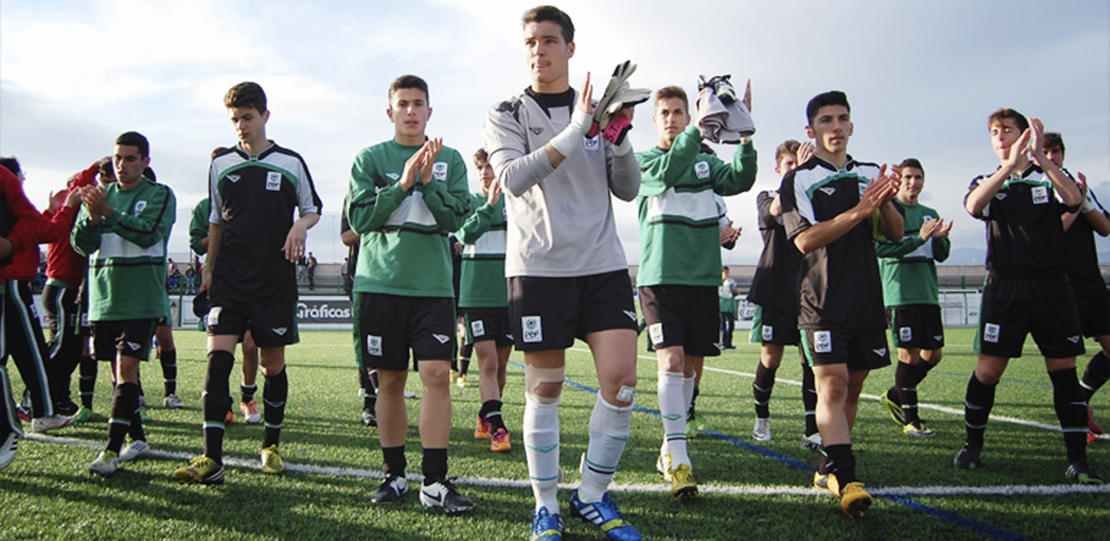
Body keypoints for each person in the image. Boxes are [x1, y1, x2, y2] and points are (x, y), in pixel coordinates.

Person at [484, 6, 644, 540]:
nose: (539, 50)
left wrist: (616, 136)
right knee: (545, 389)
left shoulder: (599, 112)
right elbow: (511, 177)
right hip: (540, 268)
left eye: (549, 41)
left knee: (622, 384)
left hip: (601, 263)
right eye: (531, 41)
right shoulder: (507, 110)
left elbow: (627, 188)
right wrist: (579, 127)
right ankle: (546, 505)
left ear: (569, 49)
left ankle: (592, 495)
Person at [173, 81, 321, 484]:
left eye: (247, 117)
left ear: (265, 116)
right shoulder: (220, 165)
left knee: (273, 366)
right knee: (217, 359)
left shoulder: (291, 162)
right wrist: (209, 269)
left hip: (274, 280)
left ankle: (270, 444)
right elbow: (216, 221)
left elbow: (313, 209)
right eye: (235, 119)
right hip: (230, 280)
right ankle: (211, 458)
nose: (241, 125)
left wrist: (299, 226)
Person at [347, 74, 473, 513]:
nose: (411, 111)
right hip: (380, 285)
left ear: (429, 111)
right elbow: (360, 221)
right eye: (403, 104)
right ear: (390, 112)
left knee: (437, 375)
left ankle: (434, 482)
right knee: (391, 381)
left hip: (432, 287)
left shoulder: (451, 160)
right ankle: (394, 475)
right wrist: (402, 183)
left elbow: (455, 218)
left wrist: (426, 182)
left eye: (419, 103)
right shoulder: (369, 158)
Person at [957, 109, 1104, 484]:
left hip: (1052, 287)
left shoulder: (1050, 175)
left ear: (1024, 135)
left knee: (1062, 370)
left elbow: (1073, 200)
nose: (1000, 136)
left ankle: (1077, 459)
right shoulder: (987, 179)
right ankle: (973, 445)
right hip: (1005, 288)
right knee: (989, 371)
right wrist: (1007, 167)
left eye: (1007, 130)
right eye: (994, 132)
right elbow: (974, 207)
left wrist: (1039, 158)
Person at [780, 90, 904, 517]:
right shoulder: (798, 178)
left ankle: (826, 467)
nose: (835, 127)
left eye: (842, 119)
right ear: (811, 130)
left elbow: (895, 234)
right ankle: (848, 479)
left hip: (867, 299)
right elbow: (805, 240)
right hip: (821, 300)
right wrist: (857, 211)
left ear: (851, 126)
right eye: (826, 120)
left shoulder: (870, 172)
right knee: (830, 385)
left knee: (853, 387)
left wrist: (883, 203)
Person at [635, 84, 757, 499]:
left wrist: (743, 132)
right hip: (661, 277)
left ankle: (669, 448)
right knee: (670, 361)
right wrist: (697, 135)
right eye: (664, 112)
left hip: (703, 279)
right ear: (655, 120)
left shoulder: (706, 162)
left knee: (689, 368)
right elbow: (667, 171)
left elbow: (741, 178)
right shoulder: (644, 160)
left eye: (679, 112)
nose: (671, 118)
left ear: (689, 117)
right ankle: (681, 459)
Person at [72, 131, 177, 476]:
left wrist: (109, 214)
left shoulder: (159, 194)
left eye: (131, 158)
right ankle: (139, 438)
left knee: (128, 370)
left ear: (145, 162)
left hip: (141, 299)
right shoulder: (101, 196)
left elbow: (149, 233)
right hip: (104, 299)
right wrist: (91, 217)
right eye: (118, 158)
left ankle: (110, 452)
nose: (122, 165)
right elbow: (80, 245)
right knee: (119, 375)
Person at [747, 139, 820, 446]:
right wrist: (798, 173)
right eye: (789, 165)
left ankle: (812, 428)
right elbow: (773, 212)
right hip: (774, 290)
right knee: (771, 358)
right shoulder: (768, 197)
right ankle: (762, 416)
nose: (794, 168)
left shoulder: (812, 201)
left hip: (809, 289)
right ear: (779, 169)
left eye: (797, 163)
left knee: (812, 361)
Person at [875, 158, 952, 437]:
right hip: (899, 295)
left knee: (933, 355)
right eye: (908, 177)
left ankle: (895, 394)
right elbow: (881, 250)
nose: (913, 182)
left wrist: (940, 238)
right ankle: (911, 419)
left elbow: (941, 254)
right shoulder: (889, 210)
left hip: (927, 293)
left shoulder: (929, 213)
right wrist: (918, 239)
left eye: (918, 177)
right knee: (907, 355)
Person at [1042, 133, 1110, 444]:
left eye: (1055, 152)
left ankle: (1082, 400)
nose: (1052, 157)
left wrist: (1082, 201)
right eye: (1046, 152)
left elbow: (1105, 228)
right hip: (1060, 283)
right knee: (1064, 359)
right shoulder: (1039, 192)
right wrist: (1074, 205)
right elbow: (1052, 234)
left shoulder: (1079, 187)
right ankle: (1076, 426)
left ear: (1062, 155)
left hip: (1091, 280)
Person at [0, 157, 75, 434]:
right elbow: (47, 231)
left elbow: (35, 228)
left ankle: (40, 410)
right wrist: (67, 209)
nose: (22, 180)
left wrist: (52, 210)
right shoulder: (10, 199)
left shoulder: (10, 210)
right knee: (34, 352)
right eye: (21, 175)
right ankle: (42, 412)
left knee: (18, 352)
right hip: (14, 285)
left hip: (15, 285)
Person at [456, 148, 514, 453]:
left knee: (501, 366)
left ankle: (485, 416)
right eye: (480, 168)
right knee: (488, 362)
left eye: (490, 167)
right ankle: (499, 429)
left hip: (509, 293)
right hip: (477, 293)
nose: (484, 173)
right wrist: (490, 204)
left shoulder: (515, 200)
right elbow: (465, 234)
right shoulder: (468, 201)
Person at [190, 195, 261, 425]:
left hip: (253, 280)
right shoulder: (204, 207)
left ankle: (247, 399)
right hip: (221, 283)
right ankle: (222, 402)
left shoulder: (252, 198)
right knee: (220, 353)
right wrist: (221, 235)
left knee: (251, 346)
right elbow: (196, 242)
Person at [0, 162, 48, 471]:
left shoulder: (3, 178)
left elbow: (34, 224)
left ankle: (6, 431)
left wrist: (10, 243)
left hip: (12, 284)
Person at [340, 201, 377, 427]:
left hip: (397, 275)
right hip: (363, 277)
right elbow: (346, 237)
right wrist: (376, 221)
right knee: (367, 339)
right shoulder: (354, 196)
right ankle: (369, 401)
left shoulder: (407, 184)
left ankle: (387, 392)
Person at [718, 266, 739, 349]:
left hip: (730, 307)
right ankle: (723, 343)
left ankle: (729, 343)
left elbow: (737, 292)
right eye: (725, 273)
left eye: (728, 272)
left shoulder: (731, 282)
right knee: (723, 325)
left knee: (731, 325)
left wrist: (733, 290)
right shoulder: (719, 282)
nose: (727, 274)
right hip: (722, 307)